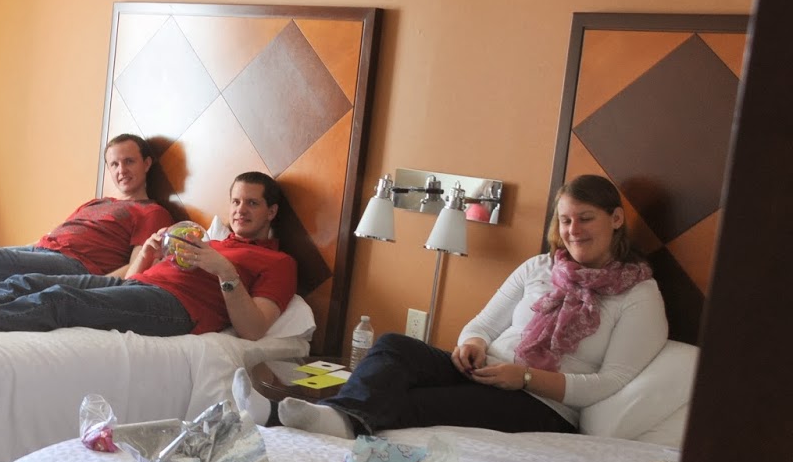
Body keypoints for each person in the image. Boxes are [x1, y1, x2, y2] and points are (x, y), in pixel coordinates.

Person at [274, 174, 667, 437]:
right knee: (394, 346)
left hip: (542, 405)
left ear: (616, 219)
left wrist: (525, 378)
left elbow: (610, 382)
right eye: (565, 221)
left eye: (585, 219)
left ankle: (337, 423)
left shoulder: (638, 295)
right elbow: (482, 325)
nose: (573, 231)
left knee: (417, 402)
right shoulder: (540, 267)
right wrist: (473, 345)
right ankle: (339, 416)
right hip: (486, 371)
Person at [0, 171, 297, 340]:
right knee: (29, 281)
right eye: (236, 202)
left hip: (176, 307)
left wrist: (225, 272)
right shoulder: (211, 241)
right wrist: (148, 253)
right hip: (140, 286)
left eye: (252, 203)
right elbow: (133, 282)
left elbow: (254, 329)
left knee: (60, 300)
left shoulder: (279, 263)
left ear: (271, 211)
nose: (240, 210)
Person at [0, 133, 172, 284]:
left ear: (146, 164)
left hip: (75, 264)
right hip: (41, 249)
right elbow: (52, 236)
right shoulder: (97, 203)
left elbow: (137, 267)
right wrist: (21, 251)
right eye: (114, 164)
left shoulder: (152, 212)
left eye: (129, 161)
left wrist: (91, 288)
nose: (122, 170)